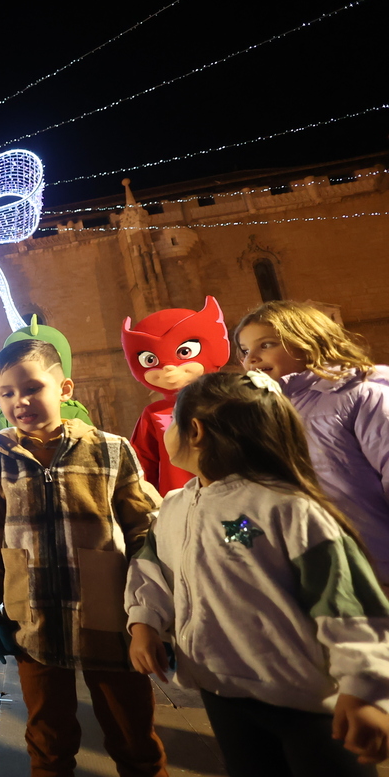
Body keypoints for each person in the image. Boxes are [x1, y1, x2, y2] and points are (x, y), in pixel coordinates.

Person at [126, 370, 389, 776]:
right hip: (221, 689)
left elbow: (344, 600)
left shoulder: (286, 509)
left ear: (193, 431)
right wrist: (144, 621)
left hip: (308, 701)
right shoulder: (176, 506)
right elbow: (152, 564)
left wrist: (364, 687)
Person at [0, 339, 167, 777]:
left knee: (134, 737)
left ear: (64, 388)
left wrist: (148, 613)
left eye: (32, 388)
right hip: (32, 621)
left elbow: (145, 531)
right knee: (48, 742)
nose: (20, 402)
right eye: (7, 393)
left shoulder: (110, 449)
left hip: (110, 620)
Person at [235, 300, 389, 584]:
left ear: (308, 341)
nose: (251, 358)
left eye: (266, 344)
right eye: (244, 350)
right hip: (311, 578)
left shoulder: (362, 396)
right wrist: (236, 542)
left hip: (374, 568)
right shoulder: (259, 416)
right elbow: (257, 496)